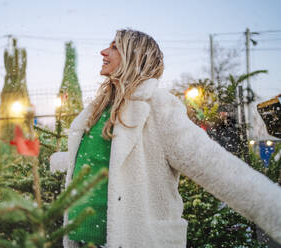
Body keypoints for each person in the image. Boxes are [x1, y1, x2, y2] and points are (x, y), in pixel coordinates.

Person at [50, 29, 281, 248]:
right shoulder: (100, 108)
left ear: (135, 56)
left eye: (114, 47)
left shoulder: (157, 107)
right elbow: (103, 157)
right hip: (82, 239)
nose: (103, 52)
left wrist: (274, 210)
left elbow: (217, 168)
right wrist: (59, 160)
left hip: (131, 240)